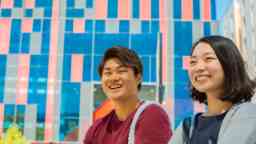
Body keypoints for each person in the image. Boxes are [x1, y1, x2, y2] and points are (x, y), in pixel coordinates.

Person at [169, 35, 256, 144]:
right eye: (193, 62)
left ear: (229, 64)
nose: (199, 68)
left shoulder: (248, 114)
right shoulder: (187, 127)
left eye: (208, 59)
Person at [84, 46, 172, 144]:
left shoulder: (152, 115)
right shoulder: (97, 128)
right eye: (108, 73)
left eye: (121, 71)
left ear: (138, 78)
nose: (114, 78)